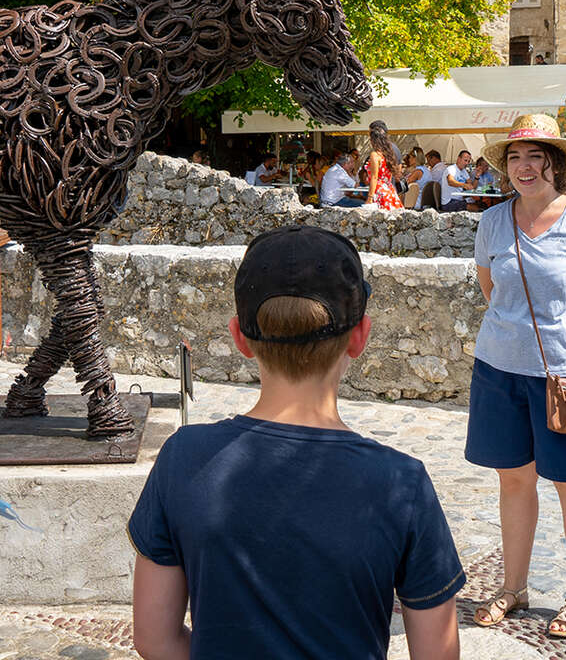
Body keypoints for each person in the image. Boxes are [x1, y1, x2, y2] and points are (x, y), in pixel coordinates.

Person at [129, 226, 465, 660]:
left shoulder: (183, 457)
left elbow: (154, 639)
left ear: (239, 338)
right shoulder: (401, 482)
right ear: (360, 336)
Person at [467, 114, 566, 640]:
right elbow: (490, 288)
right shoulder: (493, 222)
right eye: (515, 157)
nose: (524, 166)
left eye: (535, 156)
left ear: (555, 165)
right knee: (514, 479)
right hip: (499, 370)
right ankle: (513, 587)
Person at [365, 124, 403, 210]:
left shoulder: (375, 155)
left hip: (379, 191)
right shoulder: (389, 154)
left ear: (373, 140)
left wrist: (370, 197)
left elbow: (374, 177)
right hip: (390, 190)